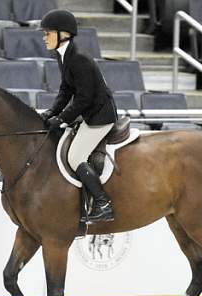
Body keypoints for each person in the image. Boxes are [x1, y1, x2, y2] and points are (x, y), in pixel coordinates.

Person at [40, 9, 117, 222]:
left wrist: (62, 118)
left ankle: (103, 204)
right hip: (88, 113)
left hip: (100, 116)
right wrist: (51, 112)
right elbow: (66, 90)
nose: (44, 37)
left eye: (48, 33)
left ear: (63, 34)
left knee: (75, 157)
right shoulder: (63, 55)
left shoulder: (79, 58)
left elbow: (84, 98)